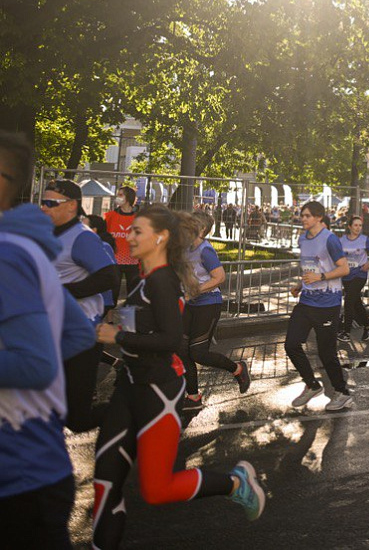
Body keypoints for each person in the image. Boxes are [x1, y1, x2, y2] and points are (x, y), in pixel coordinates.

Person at [91, 206, 265, 548]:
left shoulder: (162, 281)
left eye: (137, 231)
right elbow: (139, 329)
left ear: (161, 238)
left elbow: (170, 341)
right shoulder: (145, 278)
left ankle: (235, 484)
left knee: (156, 491)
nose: (129, 236)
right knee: (106, 481)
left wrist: (118, 337)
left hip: (158, 391)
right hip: (131, 386)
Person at [0, 132, 96, 548]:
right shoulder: (28, 248)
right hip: (37, 466)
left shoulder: (11, 252)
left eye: (55, 202)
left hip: (18, 475)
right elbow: (76, 333)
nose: (47, 207)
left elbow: (38, 363)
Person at [41, 179, 119, 433]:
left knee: (77, 418)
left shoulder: (81, 238)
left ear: (72, 206)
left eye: (51, 203)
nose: (44, 207)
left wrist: (62, 292)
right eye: (43, 201)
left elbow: (109, 276)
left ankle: (134, 414)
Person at [177, 212, 250, 412]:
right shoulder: (186, 248)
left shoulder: (205, 251)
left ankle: (238, 369)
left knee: (198, 353)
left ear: (201, 230)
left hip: (208, 304)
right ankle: (193, 396)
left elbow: (219, 277)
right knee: (182, 350)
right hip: (189, 304)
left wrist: (194, 291)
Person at [285, 201, 354, 411]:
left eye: (307, 215)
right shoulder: (302, 238)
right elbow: (311, 268)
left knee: (327, 353)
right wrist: (301, 283)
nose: (303, 218)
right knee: (291, 344)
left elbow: (344, 270)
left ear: (318, 217)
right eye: (302, 215)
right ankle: (311, 384)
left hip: (328, 304)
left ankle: (342, 392)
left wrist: (321, 277)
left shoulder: (330, 239)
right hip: (306, 302)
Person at [337, 216, 369, 343]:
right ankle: (368, 325)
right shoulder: (342, 240)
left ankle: (346, 332)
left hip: (360, 274)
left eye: (360, 225)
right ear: (349, 227)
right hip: (347, 275)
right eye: (355, 225)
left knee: (349, 300)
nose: (358, 228)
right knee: (356, 303)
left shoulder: (365, 240)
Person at [103, 185, 138, 269]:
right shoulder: (110, 216)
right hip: (114, 259)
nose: (117, 197)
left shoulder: (138, 218)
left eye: (121, 195)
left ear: (128, 198)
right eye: (118, 195)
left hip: (133, 260)